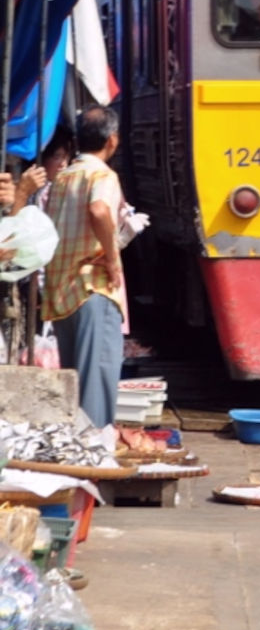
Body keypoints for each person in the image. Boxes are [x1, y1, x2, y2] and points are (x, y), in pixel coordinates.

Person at [43, 106, 129, 428]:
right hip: (92, 288)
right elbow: (98, 210)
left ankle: (79, 460)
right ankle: (95, 463)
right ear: (112, 140)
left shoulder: (62, 178)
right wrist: (111, 256)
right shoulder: (102, 175)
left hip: (62, 294)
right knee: (97, 385)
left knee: (76, 386)